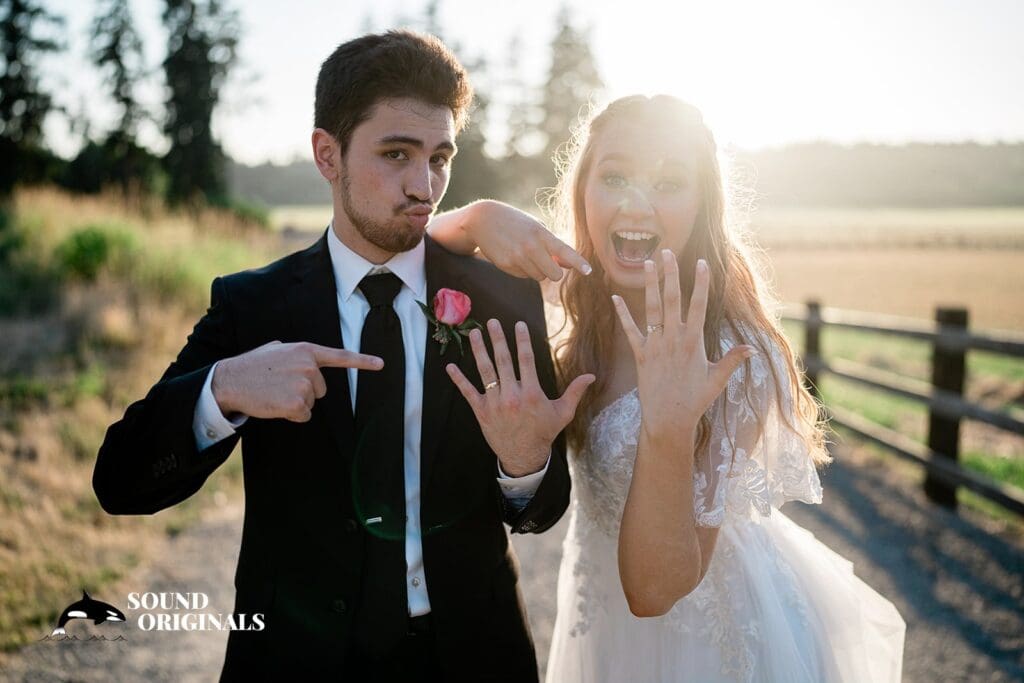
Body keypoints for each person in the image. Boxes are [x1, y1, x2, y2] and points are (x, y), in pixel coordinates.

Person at [92, 31, 595, 682]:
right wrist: (222, 390)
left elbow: (542, 506)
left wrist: (525, 464)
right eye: (396, 154)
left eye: (440, 158)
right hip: (295, 660)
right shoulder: (254, 306)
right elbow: (121, 480)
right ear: (327, 155)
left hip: (471, 656)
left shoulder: (499, 297)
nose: (424, 186)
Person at [443, 94, 906, 682]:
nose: (637, 203)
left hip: (707, 637)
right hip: (599, 616)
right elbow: (408, 250)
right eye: (614, 176)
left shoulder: (736, 356)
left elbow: (656, 591)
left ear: (703, 206)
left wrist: (668, 424)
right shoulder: (573, 299)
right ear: (583, 192)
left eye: (669, 183)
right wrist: (477, 217)